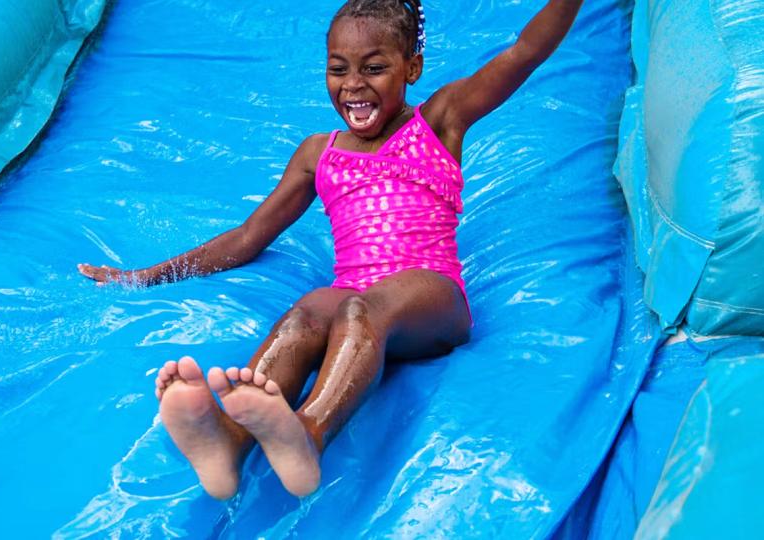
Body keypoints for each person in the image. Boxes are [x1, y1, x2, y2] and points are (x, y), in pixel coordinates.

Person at [78, 0, 583, 499]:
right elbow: (249, 236)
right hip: (352, 296)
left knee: (361, 309)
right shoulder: (320, 154)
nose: (353, 85)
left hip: (431, 296)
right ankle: (228, 446)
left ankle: (308, 434)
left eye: (375, 68)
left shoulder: (439, 120)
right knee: (306, 315)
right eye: (338, 69)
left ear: (412, 68)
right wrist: (145, 277)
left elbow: (526, 52)